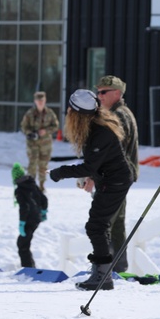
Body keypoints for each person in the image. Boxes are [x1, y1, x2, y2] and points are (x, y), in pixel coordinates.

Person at [48, 89, 133, 291]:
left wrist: (60, 172)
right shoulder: (94, 126)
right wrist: (91, 178)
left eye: (70, 109)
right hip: (109, 179)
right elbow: (96, 164)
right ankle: (101, 273)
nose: (67, 111)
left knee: (96, 226)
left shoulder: (100, 133)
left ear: (77, 113)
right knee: (97, 225)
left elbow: (89, 166)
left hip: (116, 182)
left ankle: (103, 276)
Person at [92, 75, 139, 273]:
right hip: (118, 177)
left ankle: (102, 270)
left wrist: (91, 172)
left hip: (114, 179)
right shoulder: (118, 113)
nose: (99, 96)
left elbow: (109, 151)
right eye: (98, 92)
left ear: (117, 93)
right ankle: (117, 268)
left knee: (103, 223)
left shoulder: (118, 116)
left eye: (104, 92)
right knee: (115, 223)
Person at [20, 91, 58, 191]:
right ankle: (31, 185)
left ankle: (41, 185)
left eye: (42, 100)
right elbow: (24, 127)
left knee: (43, 165)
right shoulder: (30, 113)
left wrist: (46, 131)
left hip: (45, 144)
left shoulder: (49, 113)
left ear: (45, 100)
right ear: (35, 101)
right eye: (38, 100)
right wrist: (30, 133)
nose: (40, 102)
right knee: (32, 164)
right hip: (33, 143)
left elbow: (55, 126)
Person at [12, 162, 48, 268]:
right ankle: (30, 267)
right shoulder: (32, 184)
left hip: (29, 219)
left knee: (22, 244)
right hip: (37, 218)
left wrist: (22, 223)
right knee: (25, 243)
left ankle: (28, 269)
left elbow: (24, 207)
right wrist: (43, 212)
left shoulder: (19, 190)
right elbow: (44, 199)